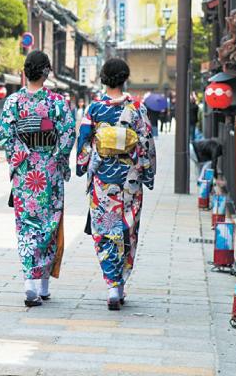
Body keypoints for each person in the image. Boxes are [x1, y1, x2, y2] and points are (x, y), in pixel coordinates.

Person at [0, 50, 76, 307]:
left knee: (27, 226)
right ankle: (41, 284)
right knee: (49, 225)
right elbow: (67, 134)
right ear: (47, 72)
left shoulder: (13, 102)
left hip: (25, 174)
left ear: (25, 71)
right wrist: (56, 159)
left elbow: (5, 135)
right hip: (49, 170)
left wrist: (21, 157)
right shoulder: (57, 103)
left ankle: (32, 282)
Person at [76, 58, 156, 310]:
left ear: (103, 78)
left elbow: (84, 143)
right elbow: (146, 144)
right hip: (130, 180)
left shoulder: (95, 109)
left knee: (105, 231)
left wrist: (82, 165)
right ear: (125, 78)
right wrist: (148, 173)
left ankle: (111, 286)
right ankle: (120, 285)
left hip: (103, 181)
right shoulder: (137, 109)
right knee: (127, 229)